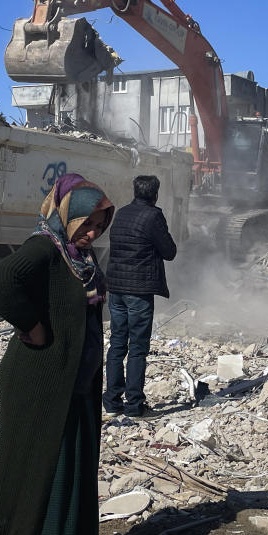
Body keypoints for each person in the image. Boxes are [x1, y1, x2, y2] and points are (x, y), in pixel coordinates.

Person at [0, 173, 114, 535]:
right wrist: (33, 326)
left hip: (74, 383)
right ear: (66, 216)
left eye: (99, 224)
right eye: (86, 223)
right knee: (40, 470)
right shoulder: (46, 248)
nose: (92, 232)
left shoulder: (79, 257)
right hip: (40, 383)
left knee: (71, 469)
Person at [104, 174, 177, 417]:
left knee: (116, 344)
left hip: (116, 288)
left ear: (134, 192)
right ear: (155, 195)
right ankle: (134, 405)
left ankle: (112, 402)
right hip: (139, 291)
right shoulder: (154, 216)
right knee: (137, 348)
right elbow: (169, 252)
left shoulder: (122, 213)